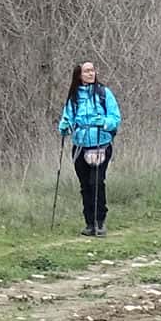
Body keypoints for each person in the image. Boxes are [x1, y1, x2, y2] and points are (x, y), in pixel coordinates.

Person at [58, 60, 120, 236]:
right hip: (80, 146)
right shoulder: (74, 97)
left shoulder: (104, 93)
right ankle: (89, 223)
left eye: (92, 70)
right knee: (85, 185)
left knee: (97, 182)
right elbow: (67, 119)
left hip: (101, 144)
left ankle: (99, 221)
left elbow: (115, 118)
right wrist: (64, 126)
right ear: (79, 75)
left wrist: (105, 122)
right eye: (86, 71)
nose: (91, 73)